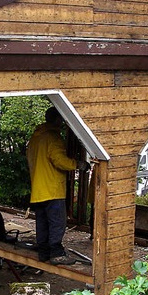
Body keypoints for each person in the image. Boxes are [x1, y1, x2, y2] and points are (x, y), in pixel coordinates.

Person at [27, 107, 89, 265]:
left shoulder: (36, 137)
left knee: (42, 222)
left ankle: (44, 253)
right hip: (52, 189)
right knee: (57, 222)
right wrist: (78, 164)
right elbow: (59, 160)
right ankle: (56, 254)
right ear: (58, 120)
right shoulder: (52, 137)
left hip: (38, 190)